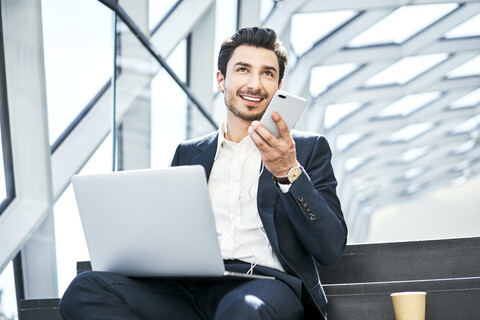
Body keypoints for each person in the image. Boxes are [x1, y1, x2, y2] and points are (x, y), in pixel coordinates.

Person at [60, 27, 347, 320]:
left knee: (241, 310)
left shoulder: (307, 150)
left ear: (279, 87)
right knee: (85, 289)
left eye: (267, 74)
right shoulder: (188, 154)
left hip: (266, 286)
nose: (255, 84)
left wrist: (288, 172)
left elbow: (330, 247)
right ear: (221, 80)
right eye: (243, 70)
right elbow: (168, 235)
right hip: (186, 290)